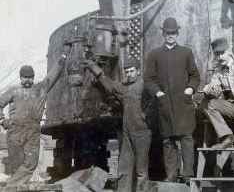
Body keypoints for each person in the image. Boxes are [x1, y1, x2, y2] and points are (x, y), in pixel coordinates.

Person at [0, 44, 71, 186]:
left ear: (33, 78)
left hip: (33, 130)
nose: (27, 80)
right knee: (17, 164)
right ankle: (16, 187)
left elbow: (54, 74)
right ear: (20, 78)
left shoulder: (40, 89)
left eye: (30, 77)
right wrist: (3, 120)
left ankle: (11, 187)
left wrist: (64, 56)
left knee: (31, 163)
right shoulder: (13, 90)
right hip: (15, 131)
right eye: (24, 77)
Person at [144, 17, 200, 184]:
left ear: (177, 33)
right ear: (163, 33)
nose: (170, 35)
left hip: (183, 103)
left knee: (187, 138)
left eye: (173, 32)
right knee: (168, 140)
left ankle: (188, 174)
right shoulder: (155, 54)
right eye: (167, 33)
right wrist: (158, 93)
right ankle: (171, 174)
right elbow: (149, 79)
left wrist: (189, 90)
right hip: (165, 104)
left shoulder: (186, 52)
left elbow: (195, 76)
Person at [83, 58, 151, 192]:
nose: (129, 74)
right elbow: (109, 83)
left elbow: (155, 101)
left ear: (138, 72)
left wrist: (146, 115)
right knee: (124, 168)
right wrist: (93, 67)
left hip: (142, 133)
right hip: (127, 133)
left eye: (132, 71)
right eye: (127, 72)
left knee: (141, 170)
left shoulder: (145, 85)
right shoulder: (124, 87)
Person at [201, 37, 234, 149]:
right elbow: (215, 91)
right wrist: (209, 90)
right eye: (217, 54)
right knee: (207, 104)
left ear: (229, 51)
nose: (220, 57)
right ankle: (227, 136)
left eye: (222, 53)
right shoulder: (218, 72)